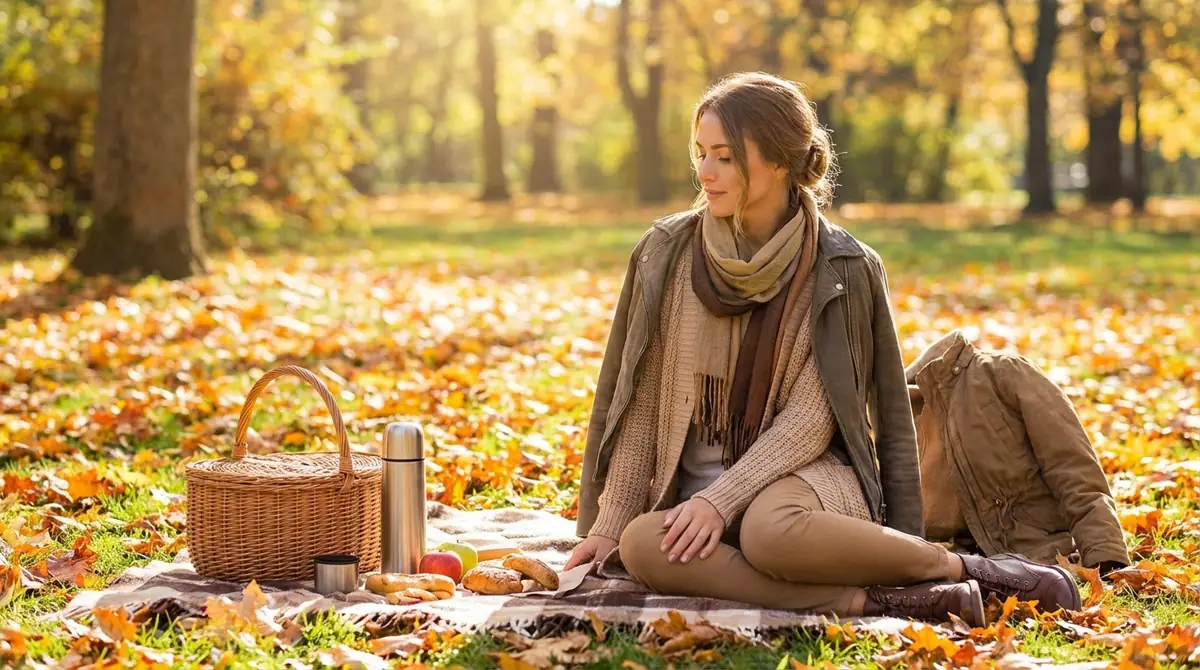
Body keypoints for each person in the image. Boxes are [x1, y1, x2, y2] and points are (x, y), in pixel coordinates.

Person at [566, 72, 1080, 627]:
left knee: (767, 532)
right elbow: (641, 403)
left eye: (725, 157)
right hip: (694, 498)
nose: (705, 173)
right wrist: (609, 523)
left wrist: (724, 498)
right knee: (643, 544)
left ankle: (969, 570)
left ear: (780, 162)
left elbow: (813, 418)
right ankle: (882, 600)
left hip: (808, 482)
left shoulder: (842, 268)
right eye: (700, 154)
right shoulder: (666, 253)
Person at [905, 330, 1130, 574]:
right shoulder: (892, 418)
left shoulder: (1004, 373)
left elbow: (1072, 466)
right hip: (953, 573)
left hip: (1042, 559)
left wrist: (1105, 556)